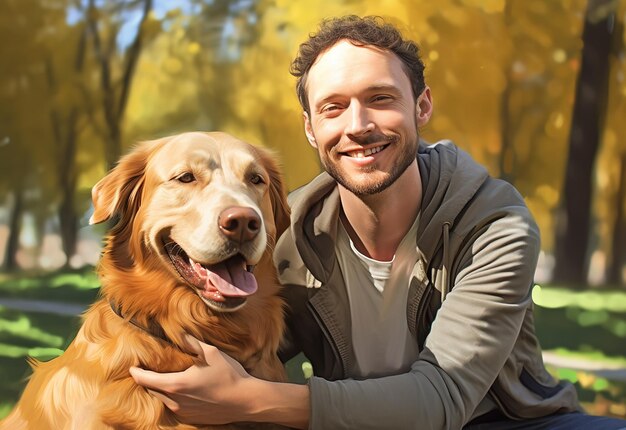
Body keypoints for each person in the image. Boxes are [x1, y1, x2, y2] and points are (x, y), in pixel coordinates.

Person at [130, 15, 626, 430]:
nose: (357, 125)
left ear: (422, 106)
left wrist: (251, 401)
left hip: (497, 422)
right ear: (310, 128)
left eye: (381, 98)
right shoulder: (285, 233)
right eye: (333, 107)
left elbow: (444, 396)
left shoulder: (495, 224)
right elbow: (227, 345)